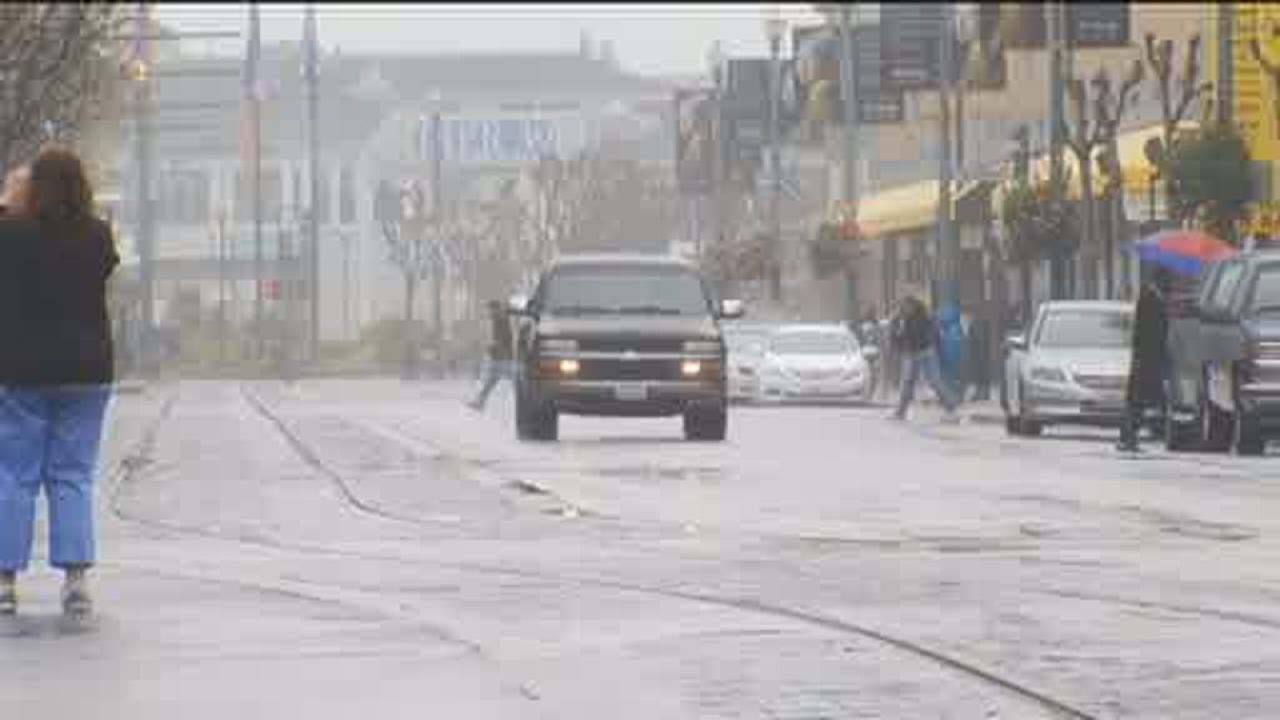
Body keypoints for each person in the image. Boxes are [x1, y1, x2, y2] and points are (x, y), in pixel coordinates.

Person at [0, 149, 119, 618]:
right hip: (87, 371)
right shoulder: (96, 235)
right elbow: (103, 267)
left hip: (21, 368)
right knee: (73, 474)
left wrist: (9, 200)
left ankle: (5, 580)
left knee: (14, 472)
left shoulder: (10, 233)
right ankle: (75, 580)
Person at [1118, 265, 1170, 452]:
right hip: (1146, 358)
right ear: (1160, 281)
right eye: (1166, 282)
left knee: (1142, 400)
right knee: (1139, 400)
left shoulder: (1155, 298)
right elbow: (1145, 331)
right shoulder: (1148, 298)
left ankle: (1129, 436)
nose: (1168, 285)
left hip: (1150, 358)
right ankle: (1128, 437)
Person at [889, 295, 960, 423]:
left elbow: (927, 335)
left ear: (913, 306)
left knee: (934, 381)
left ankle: (951, 409)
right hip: (912, 352)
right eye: (903, 307)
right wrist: (895, 323)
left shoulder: (923, 317)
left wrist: (900, 327)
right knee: (907, 382)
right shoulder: (903, 318)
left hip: (925, 351)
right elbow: (896, 338)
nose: (905, 309)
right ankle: (900, 412)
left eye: (906, 307)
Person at [467, 299, 515, 412]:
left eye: (491, 309)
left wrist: (496, 347)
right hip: (501, 357)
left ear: (495, 309)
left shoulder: (500, 320)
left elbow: (506, 338)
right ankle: (480, 403)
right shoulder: (499, 319)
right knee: (492, 382)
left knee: (515, 381)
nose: (489, 312)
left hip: (503, 358)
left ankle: (480, 403)